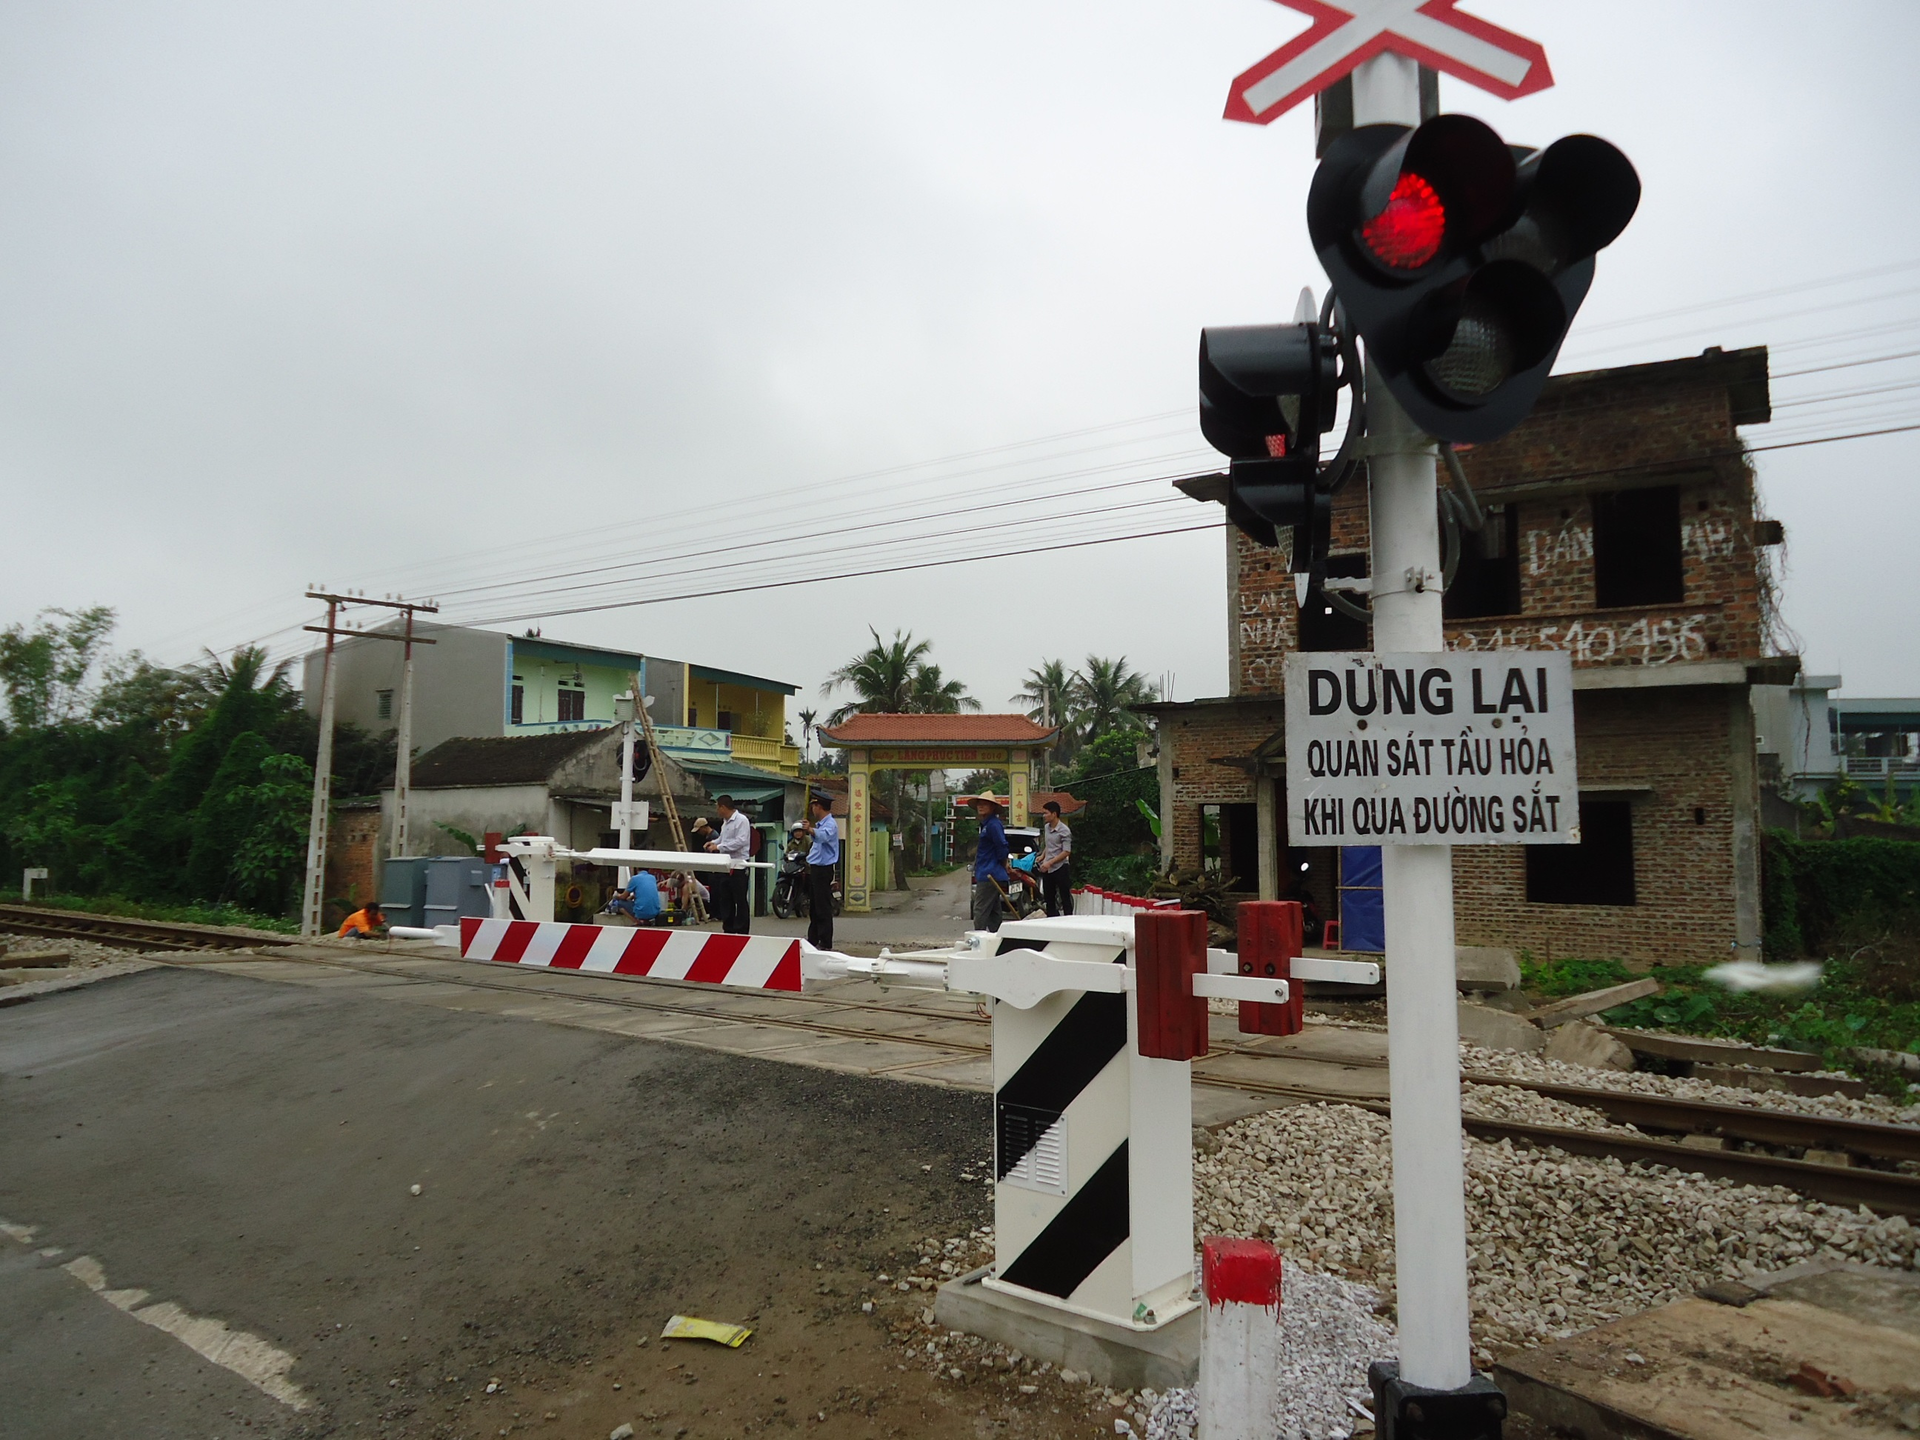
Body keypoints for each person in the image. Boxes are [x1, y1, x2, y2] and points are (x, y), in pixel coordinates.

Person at [798, 792, 839, 951]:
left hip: (823, 870)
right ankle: (813, 938)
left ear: (818, 806)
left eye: (813, 806)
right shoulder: (821, 824)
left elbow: (822, 837)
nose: (812, 809)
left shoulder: (830, 825)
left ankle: (825, 941)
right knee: (814, 907)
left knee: (822, 907)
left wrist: (810, 830)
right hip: (814, 869)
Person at [706, 795, 752, 934]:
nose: (717, 811)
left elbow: (740, 841)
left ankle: (742, 929)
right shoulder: (725, 822)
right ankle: (728, 928)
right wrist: (715, 843)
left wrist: (719, 847)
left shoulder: (741, 820)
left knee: (740, 899)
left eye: (717, 807)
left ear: (723, 807)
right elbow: (723, 838)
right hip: (726, 864)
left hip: (739, 865)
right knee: (725, 898)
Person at [970, 793, 1009, 933]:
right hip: (988, 872)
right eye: (979, 804)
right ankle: (997, 940)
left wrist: (1004, 863)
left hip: (990, 874)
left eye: (984, 804)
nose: (980, 806)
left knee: (980, 909)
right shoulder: (986, 825)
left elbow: (1002, 846)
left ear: (992, 807)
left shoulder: (993, 825)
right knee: (993, 911)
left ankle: (977, 940)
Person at [1038, 799, 1075, 916]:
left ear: (1054, 814)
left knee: (1065, 896)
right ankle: (1051, 920)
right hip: (1047, 868)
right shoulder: (1047, 828)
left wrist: (1050, 862)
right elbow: (1049, 845)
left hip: (1060, 867)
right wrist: (1043, 856)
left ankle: (1068, 921)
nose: (1044, 816)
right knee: (1049, 897)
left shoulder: (1064, 831)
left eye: (1046, 813)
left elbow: (1066, 851)